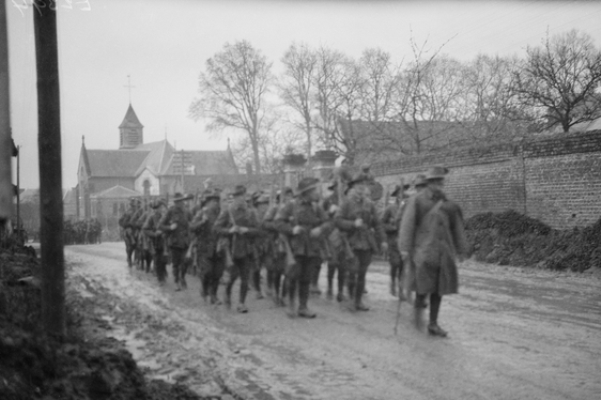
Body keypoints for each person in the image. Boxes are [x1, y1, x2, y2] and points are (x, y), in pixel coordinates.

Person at [398, 166, 468, 337]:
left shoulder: (448, 204)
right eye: (435, 181)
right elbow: (407, 225)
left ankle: (433, 323)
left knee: (439, 289)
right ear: (429, 183)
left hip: (443, 252)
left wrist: (462, 249)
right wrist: (405, 248)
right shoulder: (418, 201)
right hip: (423, 251)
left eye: (441, 181)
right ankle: (418, 312)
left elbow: (457, 228)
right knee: (423, 287)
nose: (439, 185)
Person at [276, 177, 332, 318]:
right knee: (292, 276)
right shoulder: (291, 205)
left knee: (306, 278)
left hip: (311, 246)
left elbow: (328, 223)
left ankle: (303, 307)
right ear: (306, 192)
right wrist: (291, 229)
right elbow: (278, 223)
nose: (316, 192)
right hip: (295, 246)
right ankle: (290, 304)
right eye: (314, 190)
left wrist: (320, 229)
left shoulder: (316, 207)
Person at [335, 172, 387, 311]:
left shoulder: (369, 204)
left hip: (366, 242)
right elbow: (338, 220)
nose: (361, 188)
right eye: (358, 185)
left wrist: (382, 240)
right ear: (352, 187)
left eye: (363, 185)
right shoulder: (346, 203)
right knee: (353, 271)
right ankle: (351, 298)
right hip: (350, 242)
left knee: (362, 273)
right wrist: (352, 224)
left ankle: (358, 301)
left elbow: (377, 224)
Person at [214, 185, 260, 313]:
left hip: (246, 248)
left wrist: (247, 230)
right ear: (234, 197)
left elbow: (257, 230)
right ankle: (227, 292)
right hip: (231, 249)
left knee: (245, 277)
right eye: (239, 197)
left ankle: (241, 303)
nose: (241, 199)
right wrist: (230, 230)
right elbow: (216, 228)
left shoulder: (250, 211)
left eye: (243, 196)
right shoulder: (228, 211)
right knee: (233, 276)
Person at [190, 188, 224, 304]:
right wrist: (202, 222)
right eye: (213, 201)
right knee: (207, 272)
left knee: (217, 273)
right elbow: (192, 227)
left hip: (219, 248)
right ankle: (204, 289)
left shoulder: (222, 214)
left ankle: (214, 295)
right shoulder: (202, 213)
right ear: (208, 202)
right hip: (204, 247)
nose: (215, 203)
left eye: (217, 201)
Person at [262, 187, 294, 306]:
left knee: (289, 271)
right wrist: (277, 226)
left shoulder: (294, 209)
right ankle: (275, 291)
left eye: (291, 196)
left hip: (291, 242)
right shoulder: (275, 209)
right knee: (278, 270)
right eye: (286, 196)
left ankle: (284, 295)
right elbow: (265, 223)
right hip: (277, 242)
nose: (289, 198)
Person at [381, 182, 410, 297]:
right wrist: (392, 227)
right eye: (401, 192)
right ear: (397, 194)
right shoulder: (390, 208)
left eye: (405, 192)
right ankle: (393, 283)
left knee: (403, 266)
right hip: (393, 240)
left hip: (404, 241)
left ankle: (401, 289)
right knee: (395, 264)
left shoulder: (409, 208)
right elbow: (381, 223)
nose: (404, 194)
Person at [159, 193, 193, 291]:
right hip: (174, 242)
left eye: (182, 201)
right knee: (176, 264)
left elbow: (193, 222)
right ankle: (176, 282)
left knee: (185, 262)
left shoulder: (187, 212)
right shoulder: (170, 212)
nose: (181, 203)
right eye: (178, 201)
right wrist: (170, 227)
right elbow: (160, 225)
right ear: (175, 202)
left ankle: (182, 277)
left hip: (185, 242)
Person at [143, 199, 168, 284]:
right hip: (156, 242)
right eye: (158, 208)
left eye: (160, 208)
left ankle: (163, 273)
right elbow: (145, 229)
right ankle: (160, 278)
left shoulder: (165, 217)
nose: (160, 210)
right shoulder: (151, 218)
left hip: (165, 241)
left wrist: (166, 231)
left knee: (164, 259)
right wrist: (154, 234)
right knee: (158, 260)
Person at [119, 198, 139, 268]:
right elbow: (121, 221)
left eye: (134, 204)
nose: (133, 206)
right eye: (132, 204)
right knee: (129, 247)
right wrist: (127, 224)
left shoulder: (139, 212)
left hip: (137, 228)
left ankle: (137, 259)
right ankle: (129, 258)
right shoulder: (127, 212)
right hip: (129, 229)